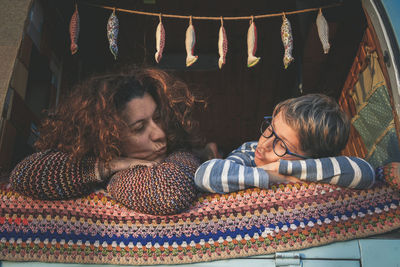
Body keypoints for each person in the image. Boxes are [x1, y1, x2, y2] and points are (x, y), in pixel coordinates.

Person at [10, 67, 214, 215]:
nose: (159, 133)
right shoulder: (100, 165)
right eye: (139, 127)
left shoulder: (179, 156)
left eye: (158, 118)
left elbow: (168, 193)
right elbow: (23, 175)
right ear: (108, 134)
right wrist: (111, 165)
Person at [194, 94, 375, 193]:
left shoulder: (319, 167)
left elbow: (364, 172)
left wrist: (283, 168)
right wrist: (271, 176)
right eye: (270, 129)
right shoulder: (250, 150)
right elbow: (205, 175)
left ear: (310, 158)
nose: (264, 144)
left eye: (281, 145)